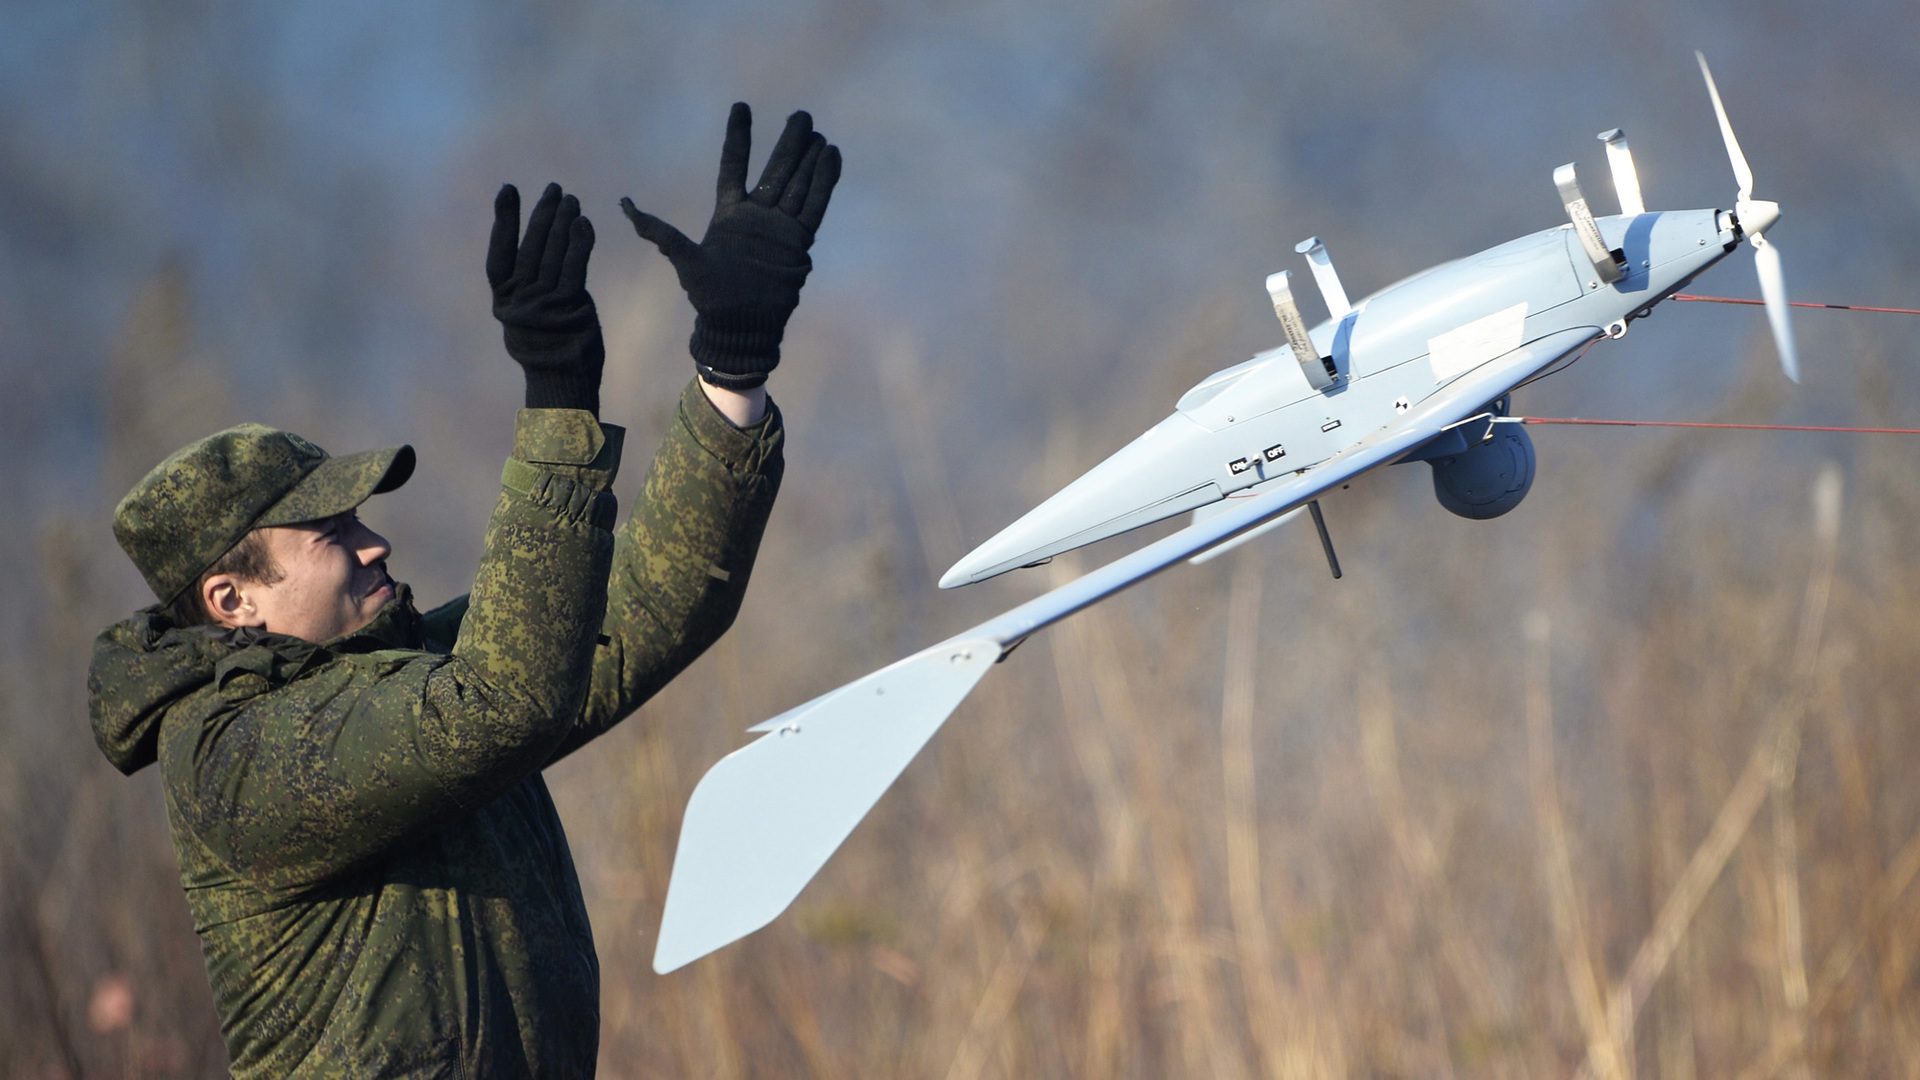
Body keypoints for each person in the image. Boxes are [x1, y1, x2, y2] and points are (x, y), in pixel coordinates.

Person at [86, 103, 840, 1078]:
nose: (374, 543)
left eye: (360, 518)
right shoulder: (231, 759)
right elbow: (504, 699)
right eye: (331, 531)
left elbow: (650, 603)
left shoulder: (420, 675)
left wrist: (730, 371)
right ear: (232, 600)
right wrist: (559, 408)